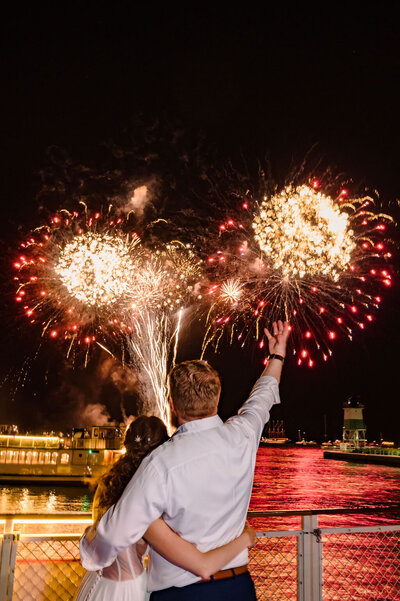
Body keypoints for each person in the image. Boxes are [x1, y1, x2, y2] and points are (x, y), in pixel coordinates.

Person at [80, 320, 290, 600]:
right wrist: (277, 356)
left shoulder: (160, 463)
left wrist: (89, 552)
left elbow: (113, 534)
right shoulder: (243, 436)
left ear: (172, 404)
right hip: (239, 588)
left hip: (181, 594)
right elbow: (262, 398)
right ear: (217, 399)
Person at [76, 415, 256, 601]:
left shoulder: (108, 486)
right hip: (125, 594)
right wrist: (244, 539)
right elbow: (203, 565)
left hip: (94, 585)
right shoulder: (142, 510)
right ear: (162, 449)